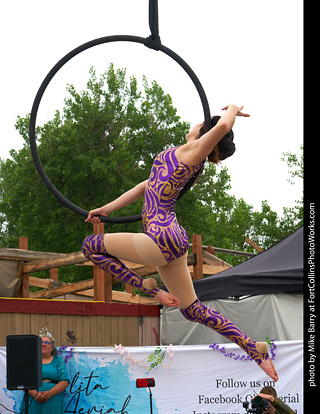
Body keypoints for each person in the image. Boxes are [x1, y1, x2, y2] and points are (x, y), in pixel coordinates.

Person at [82, 104, 278, 382]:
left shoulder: (195, 150)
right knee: (192, 310)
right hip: (173, 239)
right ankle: (252, 347)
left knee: (90, 246)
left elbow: (222, 127)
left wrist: (232, 109)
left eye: (201, 123)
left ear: (203, 134)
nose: (195, 124)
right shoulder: (189, 156)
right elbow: (144, 186)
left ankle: (145, 287)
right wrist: (107, 209)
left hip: (158, 237)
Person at [21, 328, 70, 413]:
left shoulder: (58, 361)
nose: (43, 344)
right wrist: (35, 394)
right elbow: (22, 382)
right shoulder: (29, 361)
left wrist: (49, 394)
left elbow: (65, 381)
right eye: (40, 342)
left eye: (47, 343)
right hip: (32, 400)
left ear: (52, 348)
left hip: (53, 399)